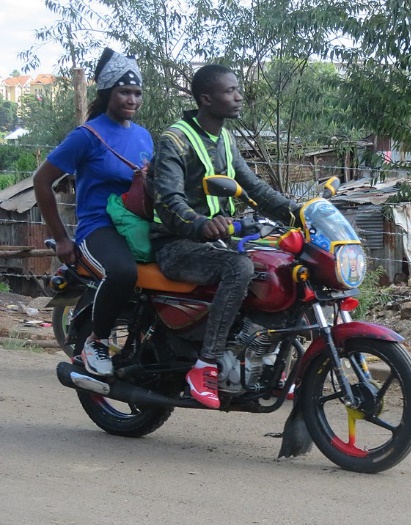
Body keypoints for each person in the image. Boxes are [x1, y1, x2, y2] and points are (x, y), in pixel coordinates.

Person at [148, 64, 298, 409]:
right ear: (206, 98)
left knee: (283, 265)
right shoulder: (175, 139)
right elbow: (168, 199)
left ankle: (266, 361)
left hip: (216, 240)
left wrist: (298, 213)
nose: (238, 95)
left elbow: (254, 188)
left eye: (237, 89)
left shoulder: (226, 140)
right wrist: (200, 223)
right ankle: (206, 364)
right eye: (230, 90)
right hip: (175, 244)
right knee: (239, 268)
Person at [35, 48, 153, 377]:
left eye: (137, 93)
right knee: (123, 272)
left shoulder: (143, 136)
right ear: (107, 93)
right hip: (99, 227)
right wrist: (61, 238)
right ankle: (96, 342)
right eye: (124, 92)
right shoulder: (88, 136)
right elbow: (41, 181)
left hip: (137, 225)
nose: (132, 99)